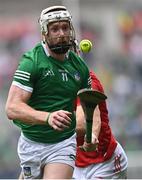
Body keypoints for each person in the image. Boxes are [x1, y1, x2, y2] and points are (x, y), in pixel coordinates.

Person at [5, 6, 91, 179]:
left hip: (62, 143)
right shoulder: (32, 62)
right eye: (55, 29)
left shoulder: (79, 67)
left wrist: (86, 129)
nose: (61, 34)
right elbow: (12, 108)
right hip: (31, 143)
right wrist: (48, 117)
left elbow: (85, 101)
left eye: (65, 28)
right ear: (44, 33)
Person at [73, 70, 128, 179]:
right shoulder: (50, 81)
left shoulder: (87, 80)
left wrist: (48, 121)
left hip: (104, 163)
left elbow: (82, 124)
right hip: (75, 163)